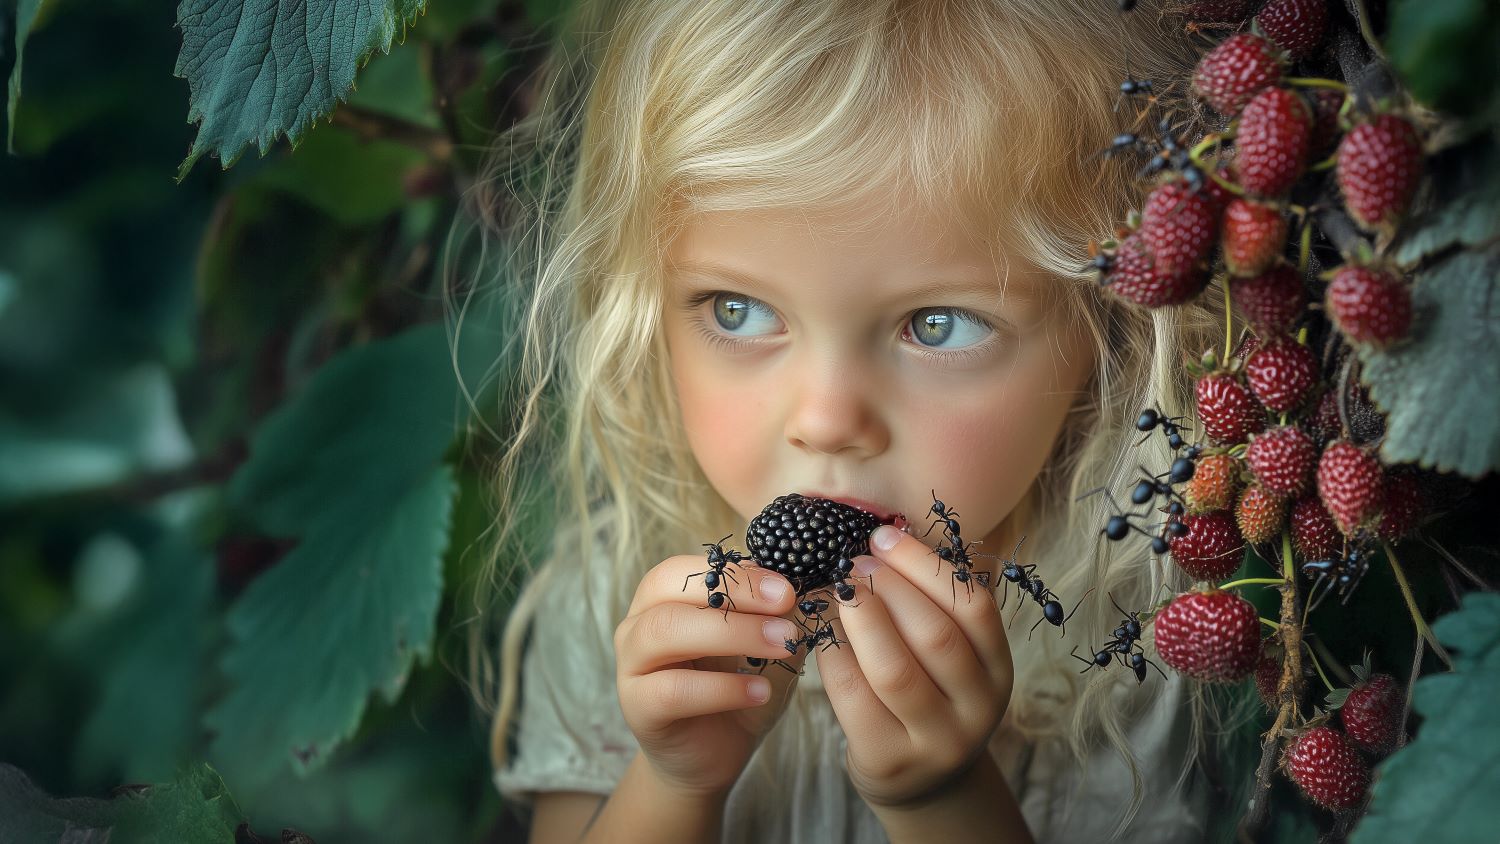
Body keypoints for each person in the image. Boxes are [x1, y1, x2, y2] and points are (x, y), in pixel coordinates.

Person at [462, 0, 1229, 840]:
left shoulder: (1147, 647)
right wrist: (676, 783)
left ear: (1115, 330)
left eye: (938, 325)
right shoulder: (613, 609)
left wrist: (945, 800)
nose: (826, 421)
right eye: (739, 310)